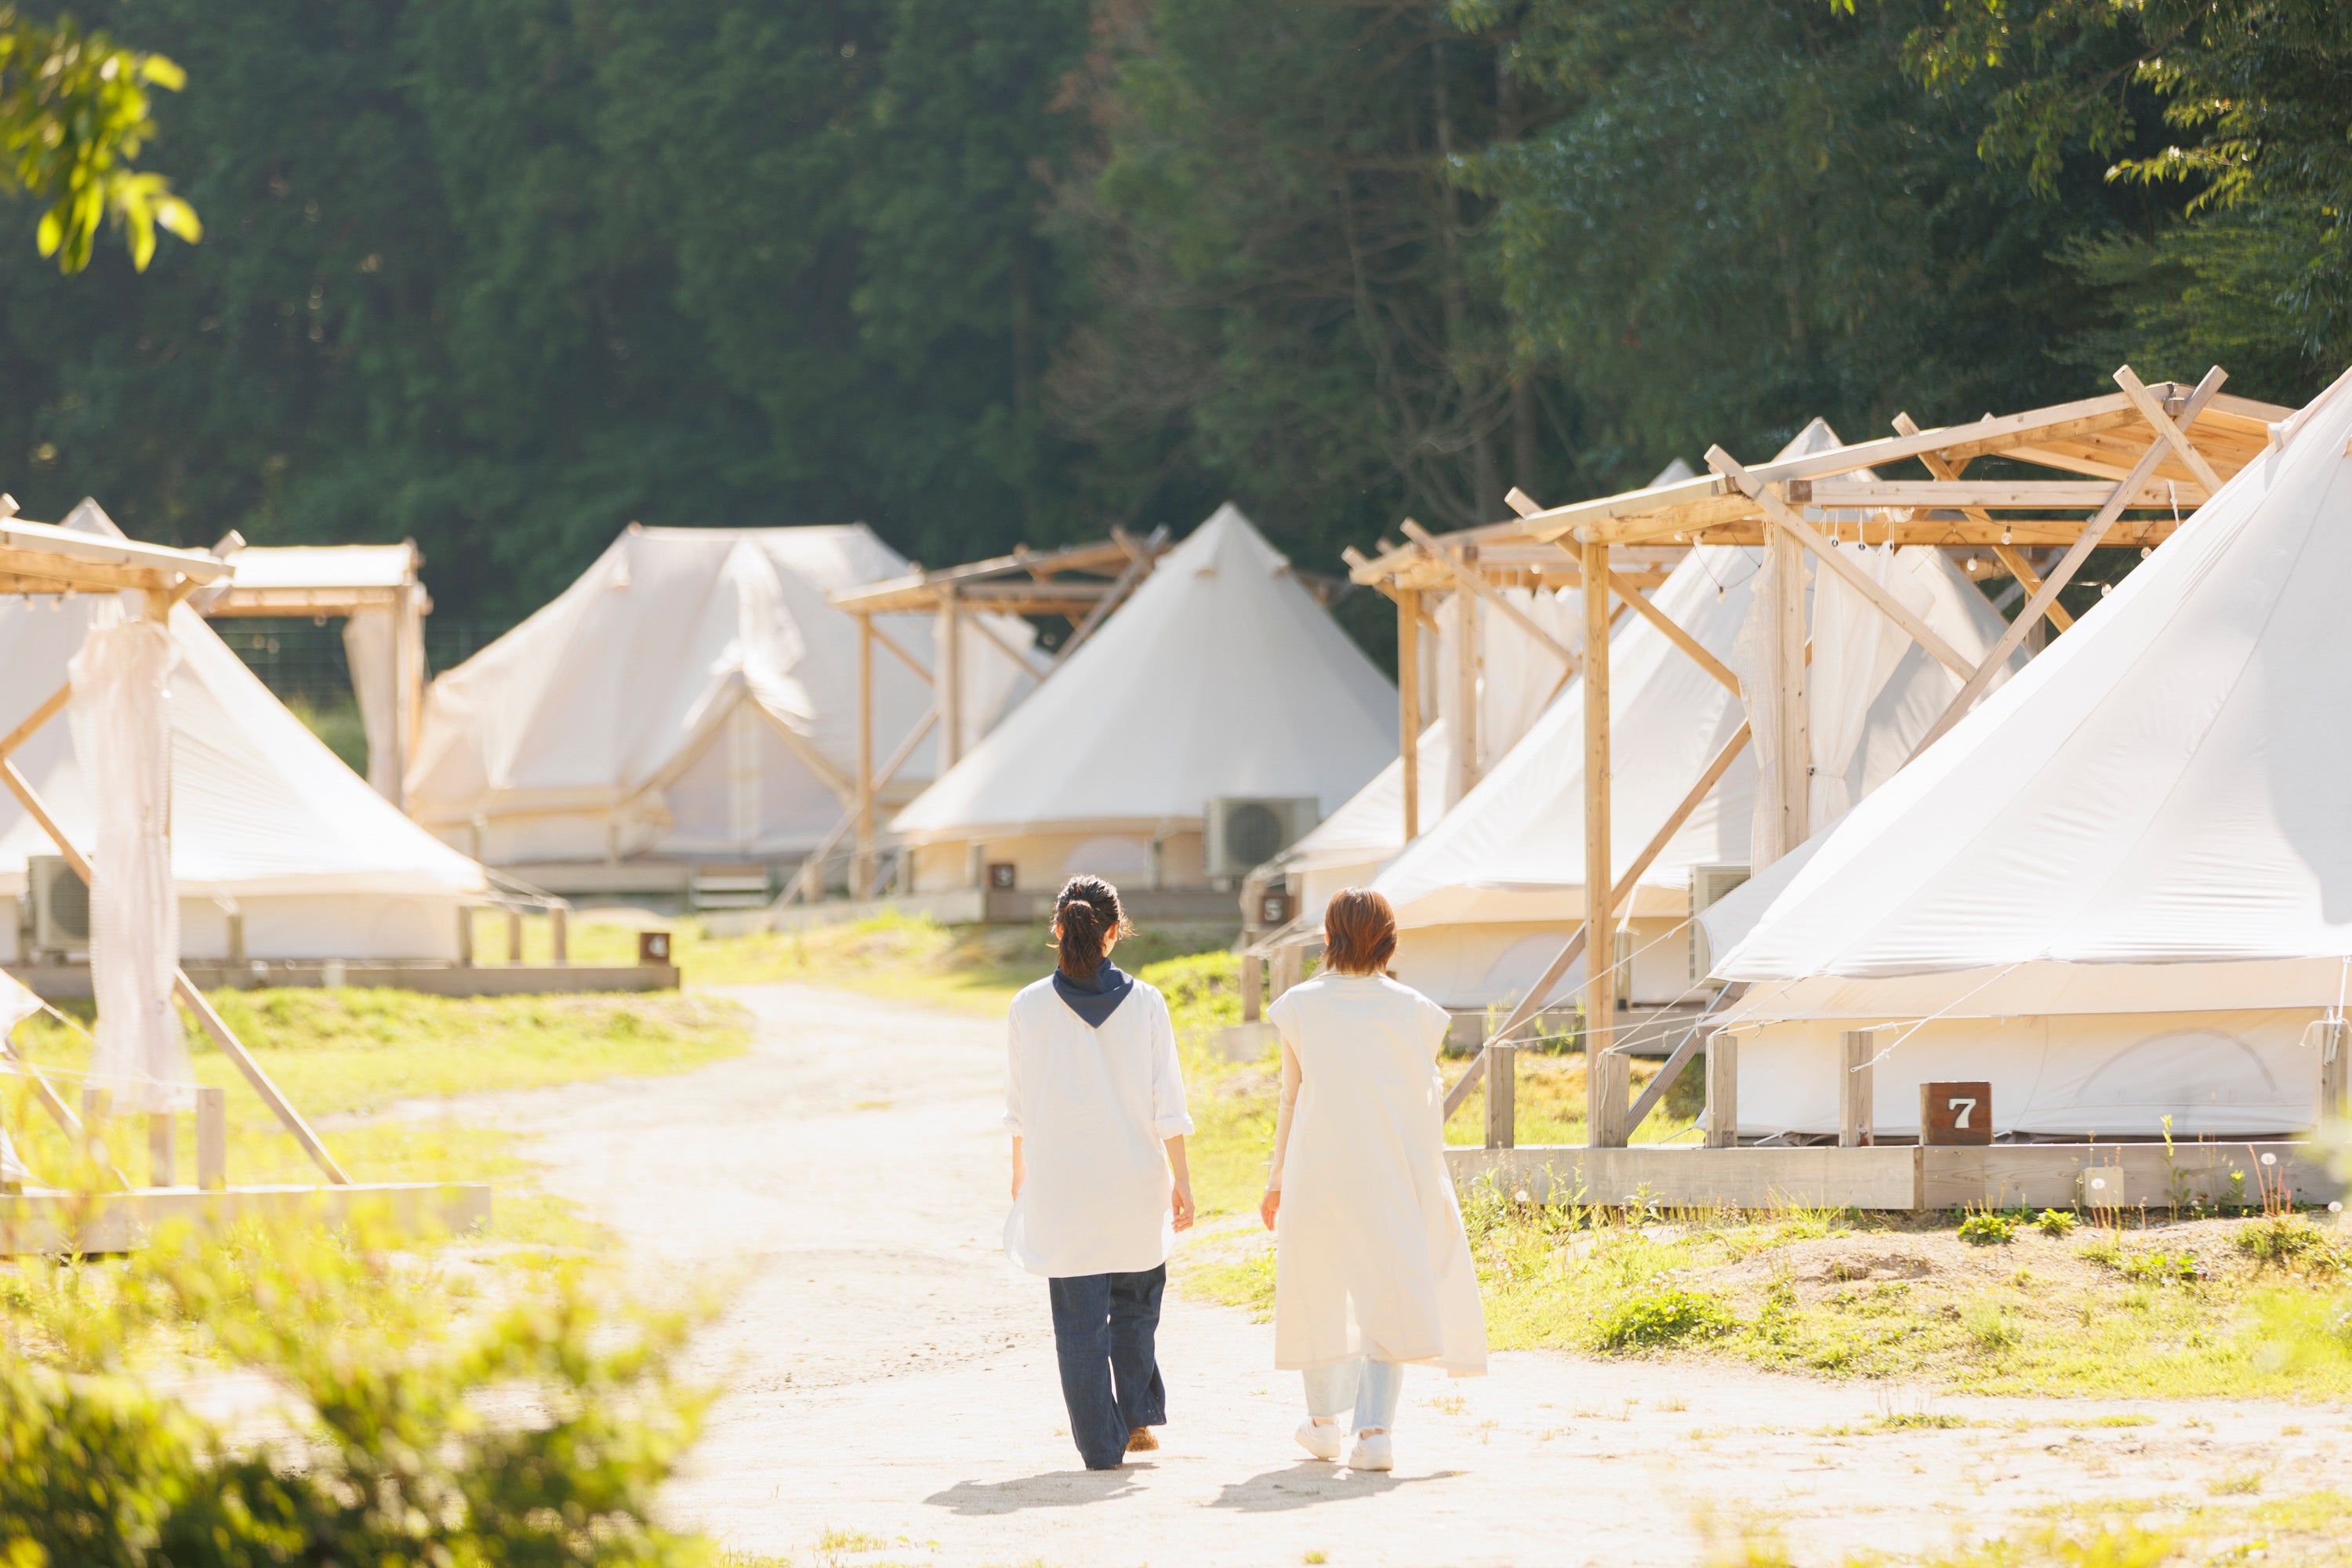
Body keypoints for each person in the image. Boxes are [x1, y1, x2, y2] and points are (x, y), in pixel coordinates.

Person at [1260, 887, 1486, 1472]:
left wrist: (1276, 1177)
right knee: (1389, 1290)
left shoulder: (1299, 1005)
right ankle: (1376, 1433)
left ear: (1329, 937)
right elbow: (1421, 1104)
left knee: (1319, 1286)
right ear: (1388, 938)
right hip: (1391, 1169)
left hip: (1317, 1169)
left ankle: (1322, 1426)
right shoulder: (1415, 1009)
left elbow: (1291, 1098)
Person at [1004, 875, 1196, 1471]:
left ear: (1058, 930)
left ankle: (1100, 1444)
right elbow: (1169, 1103)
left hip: (1061, 1182)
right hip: (1134, 1181)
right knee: (1137, 1300)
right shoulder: (1147, 1003)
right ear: (1114, 933)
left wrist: (1020, 1171)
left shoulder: (1028, 1006)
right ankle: (1137, 1414)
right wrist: (1182, 1179)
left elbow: (1018, 1103)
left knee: (1080, 1320)